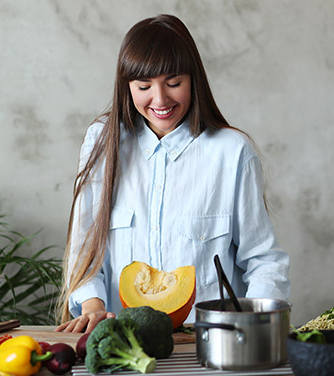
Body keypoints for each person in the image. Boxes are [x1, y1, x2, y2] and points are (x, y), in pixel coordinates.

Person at [54, 14, 290, 333]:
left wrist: (255, 327)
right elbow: (86, 244)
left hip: (208, 345)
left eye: (174, 83)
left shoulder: (232, 151)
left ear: (194, 79)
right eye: (143, 86)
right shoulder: (102, 142)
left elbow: (264, 260)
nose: (160, 99)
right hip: (122, 342)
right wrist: (93, 306)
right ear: (126, 87)